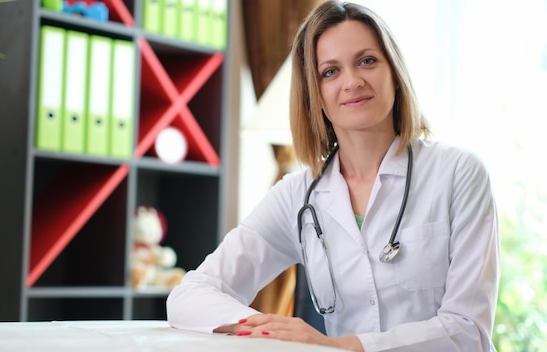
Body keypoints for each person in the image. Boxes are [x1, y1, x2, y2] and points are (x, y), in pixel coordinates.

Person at [166, 1, 500, 351]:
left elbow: (468, 331)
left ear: (394, 73)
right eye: (330, 71)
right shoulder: (298, 195)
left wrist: (339, 346)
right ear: (315, 95)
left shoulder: (459, 173)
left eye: (367, 61)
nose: (352, 82)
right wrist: (267, 330)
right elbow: (188, 296)